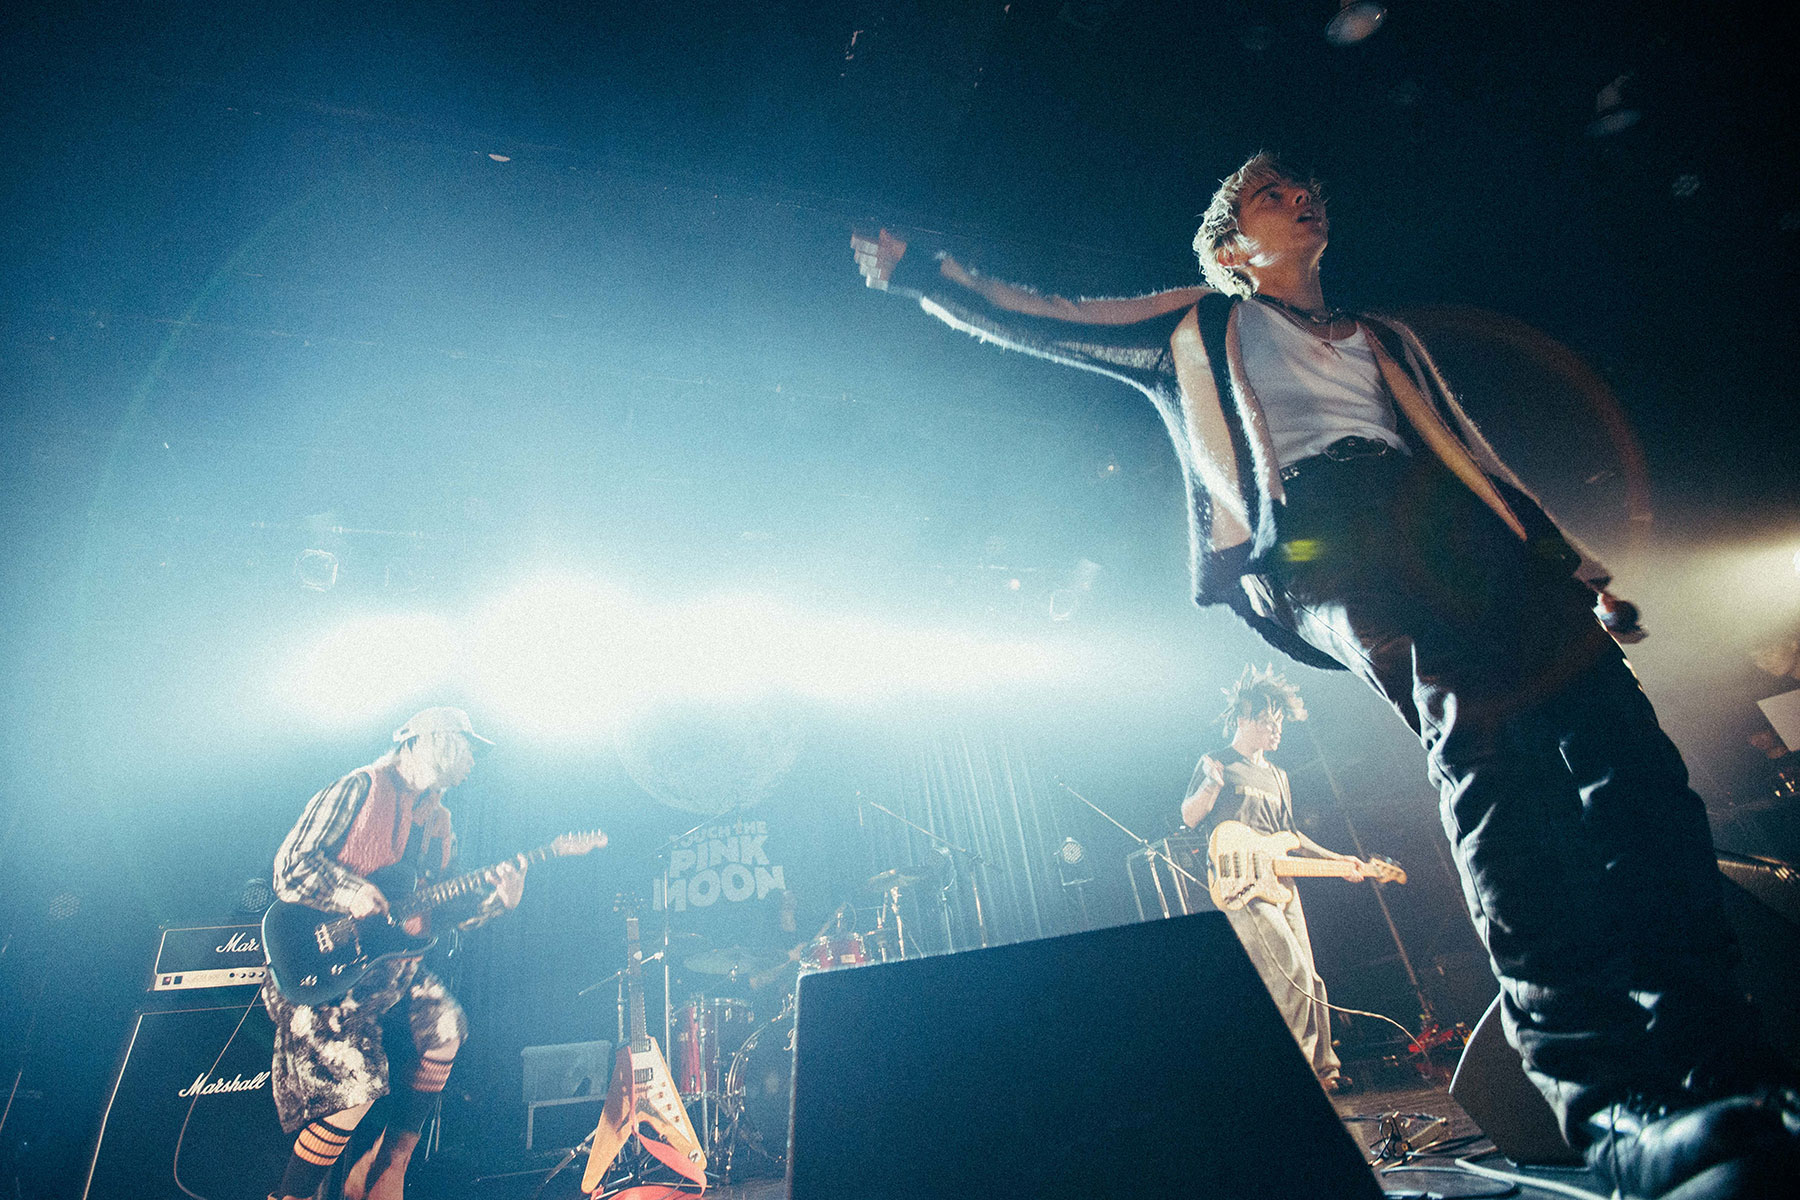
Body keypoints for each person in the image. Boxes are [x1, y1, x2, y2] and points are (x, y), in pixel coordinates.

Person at [853, 153, 1797, 1199]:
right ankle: (1609, 1104)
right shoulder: (1199, 322)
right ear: (1229, 247)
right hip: (1323, 542)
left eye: (1307, 190)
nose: (1303, 198)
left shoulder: (1387, 338)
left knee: (1631, 761)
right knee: (1483, 739)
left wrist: (1577, 572)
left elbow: (1472, 456)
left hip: (1452, 535)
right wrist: (923, 272)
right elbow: (1052, 319)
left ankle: (1725, 1068)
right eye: (1272, 195)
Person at [261, 706, 525, 1200]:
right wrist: (350, 892)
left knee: (447, 1029)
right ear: (426, 740)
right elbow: (290, 867)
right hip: (325, 961)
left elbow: (436, 910)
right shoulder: (360, 787)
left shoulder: (439, 821)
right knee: (353, 1090)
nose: (473, 758)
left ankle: (387, 1168)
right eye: (466, 745)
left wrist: (496, 902)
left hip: (391, 967)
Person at [1180, 666, 1365, 1092]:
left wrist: (1339, 860)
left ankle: (1325, 1070)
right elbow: (1189, 816)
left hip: (1280, 881)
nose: (1276, 729)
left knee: (1310, 977)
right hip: (1242, 886)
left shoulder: (1279, 776)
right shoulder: (1218, 762)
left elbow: (1291, 835)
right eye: (1268, 721)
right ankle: (1297, 1074)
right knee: (1291, 971)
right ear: (1244, 719)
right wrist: (1211, 785)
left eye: (1280, 722)